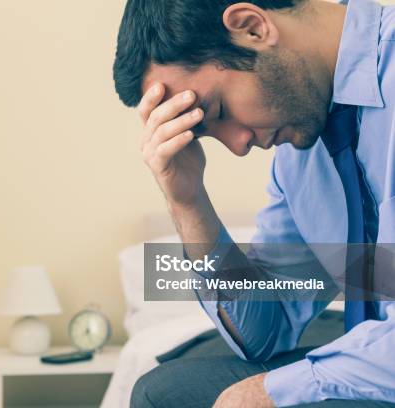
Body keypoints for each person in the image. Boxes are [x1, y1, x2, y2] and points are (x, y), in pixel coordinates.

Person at [112, 0, 395, 407]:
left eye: (219, 111)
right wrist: (189, 203)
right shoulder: (302, 150)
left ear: (252, 28)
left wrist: (274, 390)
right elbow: (267, 330)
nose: (238, 145)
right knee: (167, 393)